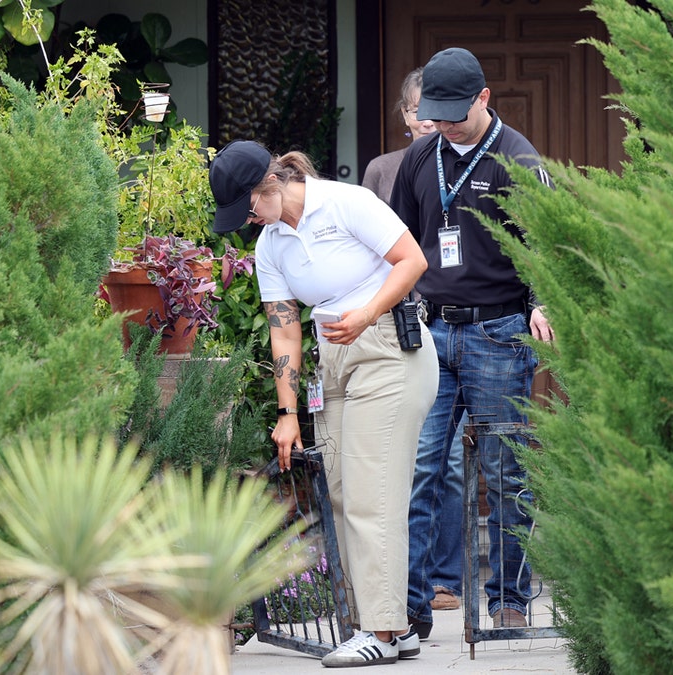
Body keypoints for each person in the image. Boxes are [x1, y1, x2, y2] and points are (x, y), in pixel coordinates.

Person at [209, 140, 438, 667]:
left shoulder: (345, 202)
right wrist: (287, 414)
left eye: (247, 208)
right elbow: (284, 332)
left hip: (387, 347)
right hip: (333, 360)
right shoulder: (271, 245)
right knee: (339, 493)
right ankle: (388, 625)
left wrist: (365, 313)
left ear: (268, 186)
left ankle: (378, 631)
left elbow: (412, 260)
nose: (247, 220)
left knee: (370, 494)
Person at [390, 47, 554, 635]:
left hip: (498, 333)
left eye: (455, 113)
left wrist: (542, 302)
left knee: (504, 471)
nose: (444, 124)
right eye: (435, 114)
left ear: (485, 99)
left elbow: (546, 245)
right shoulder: (418, 159)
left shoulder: (518, 159)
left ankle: (509, 597)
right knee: (419, 466)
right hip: (432, 333)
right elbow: (399, 240)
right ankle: (410, 604)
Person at [363, 67, 464, 613]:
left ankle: (448, 578)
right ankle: (411, 584)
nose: (426, 118)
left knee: (450, 462)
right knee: (419, 459)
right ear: (403, 116)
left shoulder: (465, 161)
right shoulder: (383, 170)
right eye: (416, 110)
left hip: (456, 321)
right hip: (404, 322)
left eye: (435, 108)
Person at [361, 68, 436, 203]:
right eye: (418, 112)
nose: (428, 122)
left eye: (435, 111)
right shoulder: (380, 168)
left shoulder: (461, 164)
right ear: (405, 114)